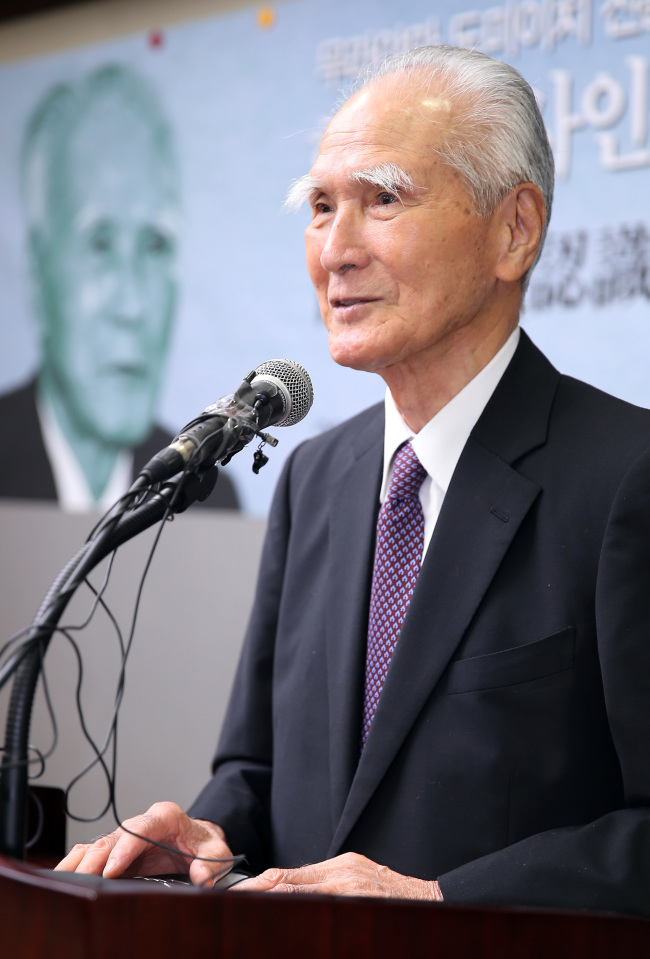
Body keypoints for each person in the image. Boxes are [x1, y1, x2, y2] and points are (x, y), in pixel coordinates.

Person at [56, 46, 650, 916]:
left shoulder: (624, 476)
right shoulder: (314, 478)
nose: (335, 250)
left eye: (382, 199)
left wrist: (441, 897)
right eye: (321, 206)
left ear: (513, 229)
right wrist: (205, 833)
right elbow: (255, 771)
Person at [0, 65, 238, 512]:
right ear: (35, 271)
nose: (132, 305)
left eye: (155, 245)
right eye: (100, 244)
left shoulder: (205, 495)